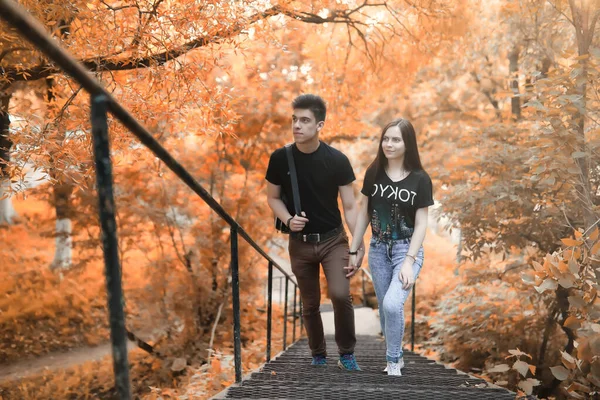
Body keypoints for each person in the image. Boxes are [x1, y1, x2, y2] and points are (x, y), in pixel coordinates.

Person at [265, 94, 365, 371]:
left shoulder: (337, 160)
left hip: (334, 240)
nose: (297, 125)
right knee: (309, 303)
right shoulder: (280, 158)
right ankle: (318, 354)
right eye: (295, 119)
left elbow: (350, 206)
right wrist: (288, 219)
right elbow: (272, 198)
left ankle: (346, 353)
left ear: (319, 125)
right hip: (300, 244)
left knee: (340, 294)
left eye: (305, 120)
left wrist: (357, 245)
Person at [346, 118, 433, 376]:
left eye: (396, 139)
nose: (389, 144)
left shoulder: (420, 179)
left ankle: (393, 361)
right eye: (386, 138)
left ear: (408, 144)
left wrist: (409, 260)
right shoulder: (374, 172)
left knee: (393, 304)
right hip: (378, 249)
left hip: (406, 249)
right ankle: (397, 355)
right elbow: (363, 213)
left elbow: (421, 223)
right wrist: (354, 250)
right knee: (385, 309)